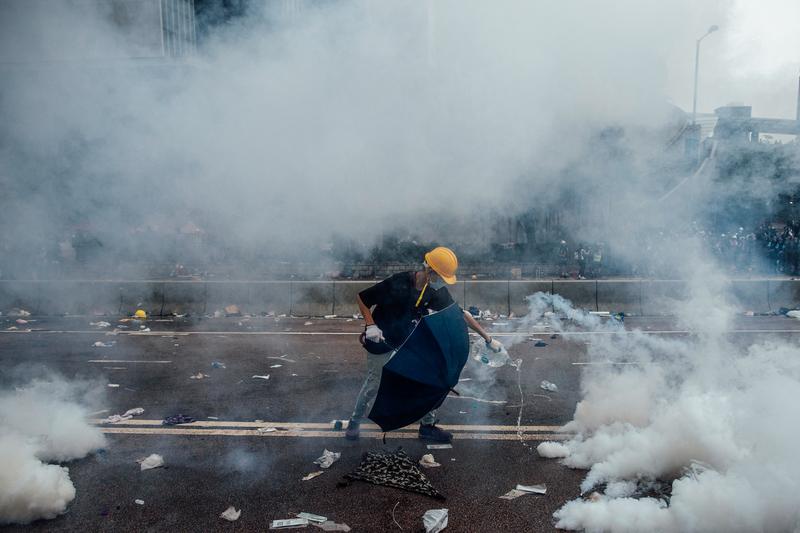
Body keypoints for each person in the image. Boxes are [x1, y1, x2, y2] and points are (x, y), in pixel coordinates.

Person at [345, 246, 504, 442]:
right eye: (440, 275)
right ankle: (354, 422)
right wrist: (371, 325)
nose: (441, 280)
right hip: (381, 340)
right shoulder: (399, 282)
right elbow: (362, 298)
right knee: (374, 385)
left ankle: (427, 426)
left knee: (430, 381)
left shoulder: (434, 293)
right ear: (430, 270)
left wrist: (488, 339)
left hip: (408, 344)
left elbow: (461, 314)